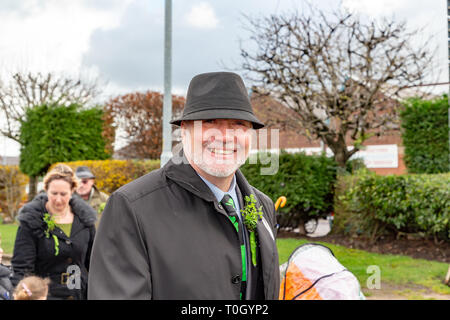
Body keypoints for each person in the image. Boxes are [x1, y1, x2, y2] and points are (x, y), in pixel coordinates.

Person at [88, 71, 280, 300]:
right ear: (185, 130)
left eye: (238, 124)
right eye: (210, 122)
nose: (226, 136)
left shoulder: (263, 206)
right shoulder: (131, 207)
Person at [11, 164, 96, 300]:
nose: (58, 199)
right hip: (45, 295)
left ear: (73, 191)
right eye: (53, 193)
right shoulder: (32, 222)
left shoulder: (84, 222)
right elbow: (22, 268)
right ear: (45, 190)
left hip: (79, 293)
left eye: (63, 194)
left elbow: (94, 262)